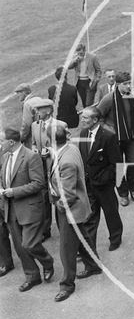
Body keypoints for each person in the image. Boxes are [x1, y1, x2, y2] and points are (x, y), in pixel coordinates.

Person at [48, 125, 100, 302]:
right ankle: (93, 265)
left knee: (66, 248)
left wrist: (59, 205)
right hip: (78, 206)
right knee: (82, 238)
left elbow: (68, 194)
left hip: (70, 209)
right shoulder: (71, 148)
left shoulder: (66, 161)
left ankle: (67, 285)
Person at [0, 128, 54, 292]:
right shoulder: (5, 157)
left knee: (29, 243)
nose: (0, 144)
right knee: (20, 247)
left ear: (10, 142)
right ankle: (32, 276)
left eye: (1, 141)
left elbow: (38, 183)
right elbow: (5, 179)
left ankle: (47, 262)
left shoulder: (31, 156)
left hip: (29, 208)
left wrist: (13, 192)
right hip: (11, 209)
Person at [78, 106, 123, 256]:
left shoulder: (108, 136)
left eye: (85, 118)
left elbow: (116, 163)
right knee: (90, 216)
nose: (82, 120)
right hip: (89, 184)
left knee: (111, 212)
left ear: (95, 120)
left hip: (104, 185)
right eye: (82, 117)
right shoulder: (83, 133)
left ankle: (115, 238)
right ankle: (89, 248)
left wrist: (105, 178)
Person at [96, 72, 134, 207]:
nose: (128, 86)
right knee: (118, 167)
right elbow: (98, 117)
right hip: (115, 138)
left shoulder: (132, 96)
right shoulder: (109, 99)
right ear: (119, 85)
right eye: (126, 84)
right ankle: (123, 194)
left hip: (131, 136)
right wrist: (109, 130)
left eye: (129, 83)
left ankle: (132, 188)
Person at [30, 98, 67, 241]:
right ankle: (46, 229)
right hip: (40, 168)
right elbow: (33, 143)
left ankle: (63, 228)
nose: (37, 112)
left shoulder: (60, 125)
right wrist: (35, 151)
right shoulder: (34, 126)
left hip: (56, 168)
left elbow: (66, 146)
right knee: (43, 198)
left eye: (40, 109)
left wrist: (51, 151)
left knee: (58, 195)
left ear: (49, 110)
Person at [69, 43, 102, 108]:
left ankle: (92, 116)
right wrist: (75, 61)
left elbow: (98, 70)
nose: (79, 54)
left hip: (90, 82)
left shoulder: (92, 57)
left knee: (89, 103)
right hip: (79, 83)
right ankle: (89, 116)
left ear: (84, 50)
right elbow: (69, 67)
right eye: (78, 53)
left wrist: (95, 81)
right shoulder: (76, 58)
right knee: (84, 103)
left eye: (81, 53)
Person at [15, 82, 38, 148]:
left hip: (35, 138)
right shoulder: (38, 99)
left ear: (24, 92)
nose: (17, 96)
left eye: (18, 93)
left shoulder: (27, 104)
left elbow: (26, 124)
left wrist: (21, 138)